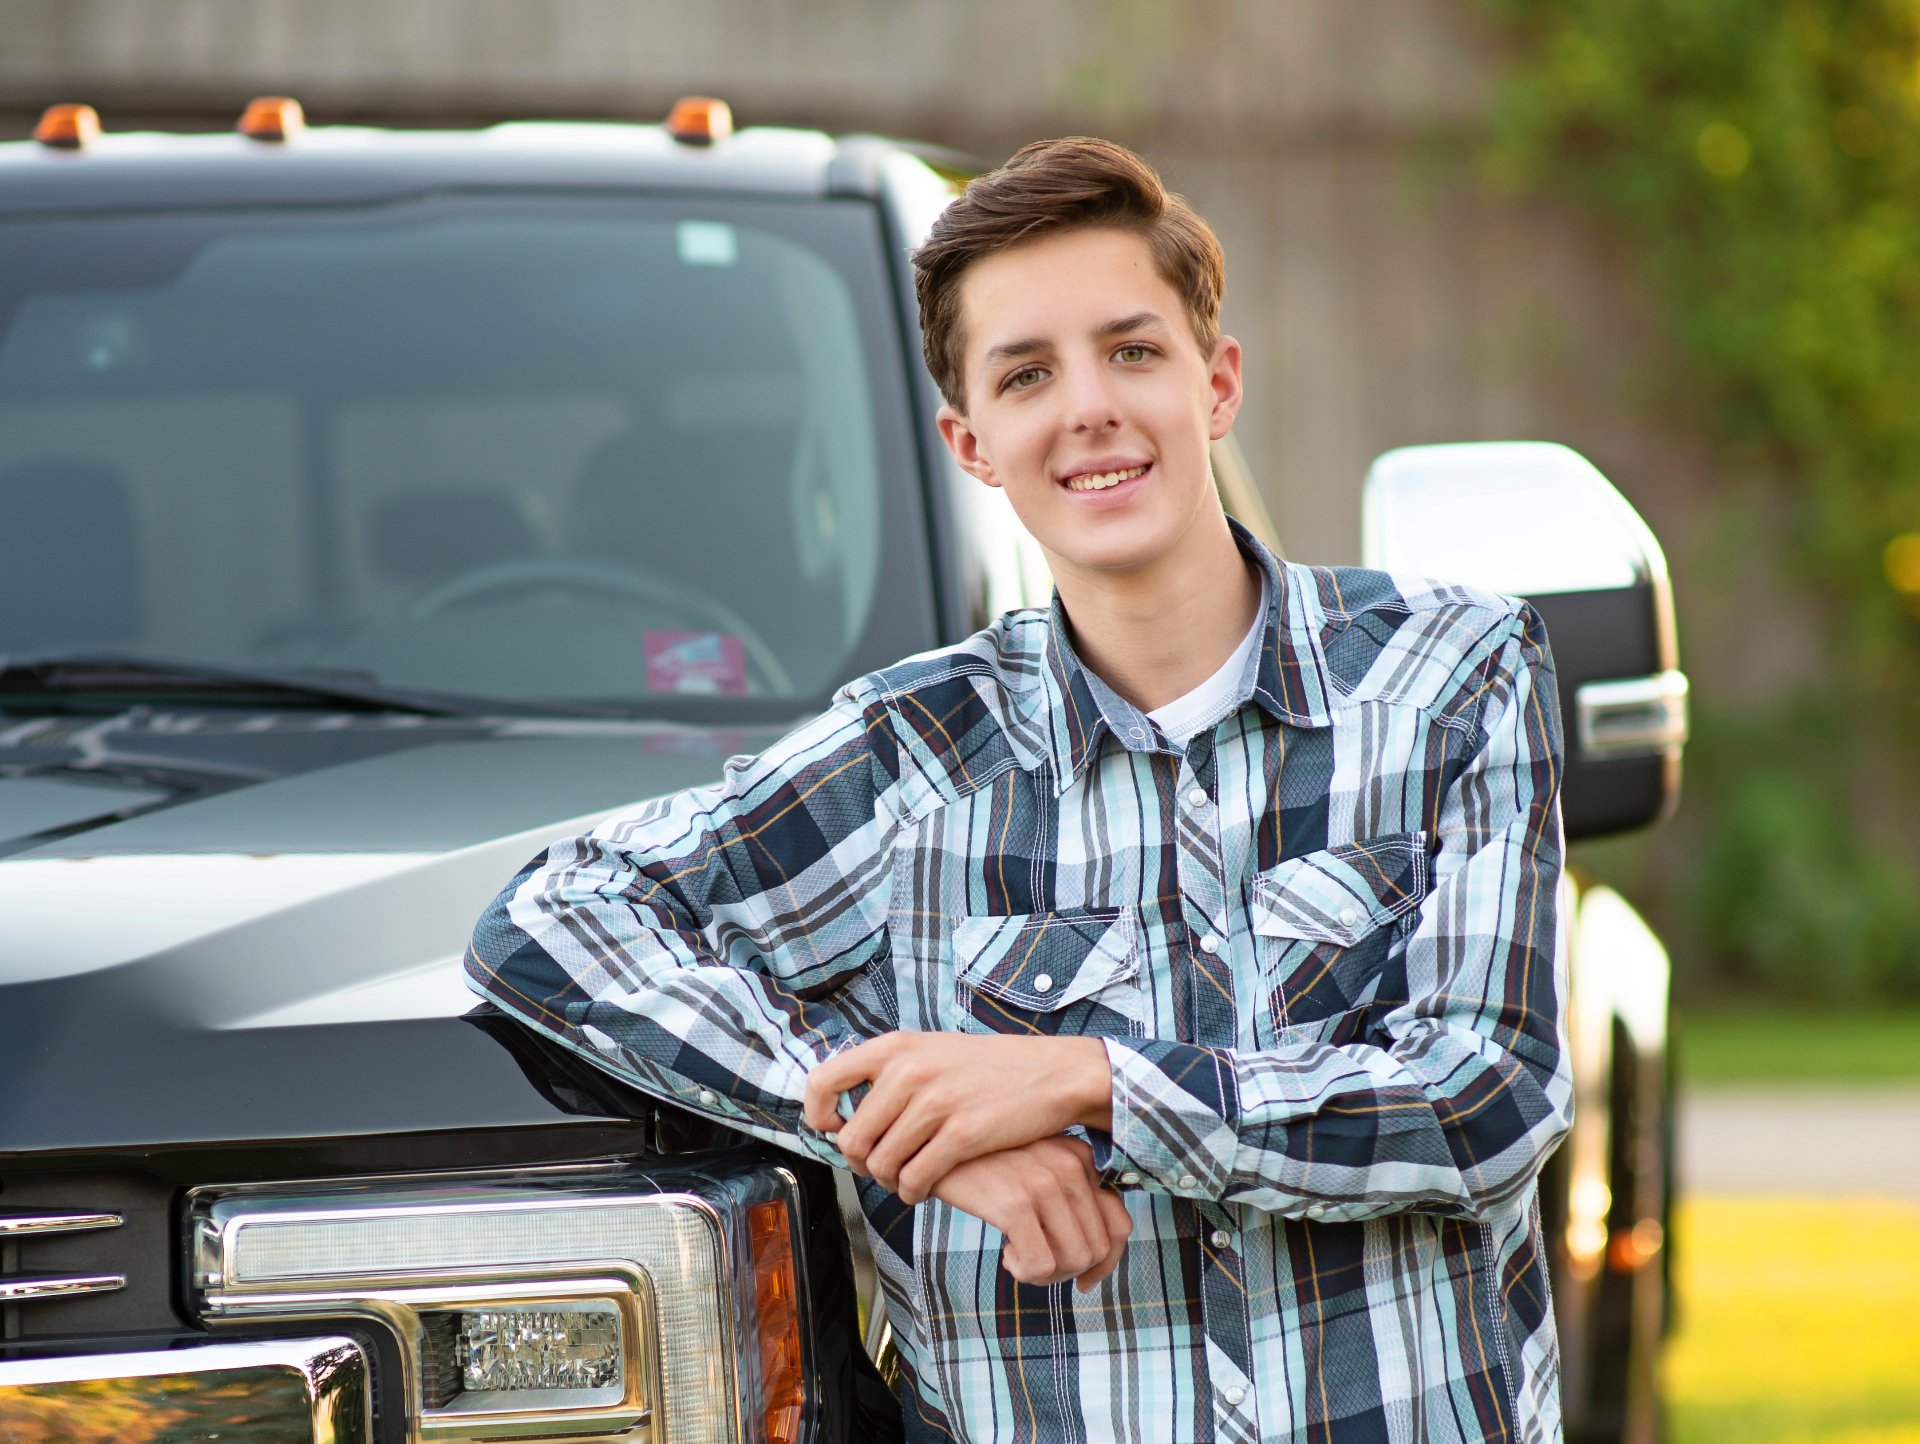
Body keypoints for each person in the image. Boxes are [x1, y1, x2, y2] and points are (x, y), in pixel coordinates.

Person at [468, 136, 1572, 1444]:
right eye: (1029, 375)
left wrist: (1086, 1082)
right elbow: (552, 921)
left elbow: (1485, 1098)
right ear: (973, 443)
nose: (1090, 406)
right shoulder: (907, 761)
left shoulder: (1454, 672)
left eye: (1134, 351)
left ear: (1216, 385)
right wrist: (903, 1120)